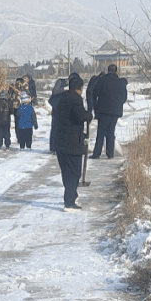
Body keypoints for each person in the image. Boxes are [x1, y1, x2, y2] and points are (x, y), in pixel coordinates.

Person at [50, 74, 92, 210]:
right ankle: (68, 202)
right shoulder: (76, 99)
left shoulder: (61, 98)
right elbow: (80, 116)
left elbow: (67, 119)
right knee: (74, 172)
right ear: (79, 88)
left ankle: (72, 195)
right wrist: (89, 114)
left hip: (59, 140)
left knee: (66, 171)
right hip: (72, 143)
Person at [91, 63, 128, 159]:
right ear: (117, 72)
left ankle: (97, 153)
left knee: (101, 133)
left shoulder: (102, 80)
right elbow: (124, 98)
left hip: (103, 111)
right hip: (115, 112)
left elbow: (94, 93)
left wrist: (96, 105)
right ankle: (110, 154)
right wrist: (117, 104)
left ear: (108, 71)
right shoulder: (120, 83)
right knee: (111, 132)